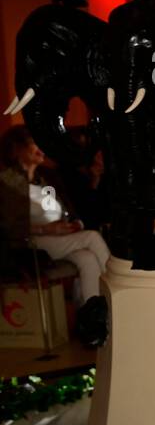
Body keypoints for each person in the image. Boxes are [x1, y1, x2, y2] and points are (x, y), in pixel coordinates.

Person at [0, 125, 110, 346]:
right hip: (28, 243)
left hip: (59, 239)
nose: (41, 148)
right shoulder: (7, 181)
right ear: (18, 148)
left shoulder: (45, 177)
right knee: (92, 239)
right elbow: (8, 227)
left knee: (87, 258)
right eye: (34, 143)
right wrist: (47, 230)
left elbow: (67, 208)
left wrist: (74, 223)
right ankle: (119, 296)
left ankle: (94, 323)